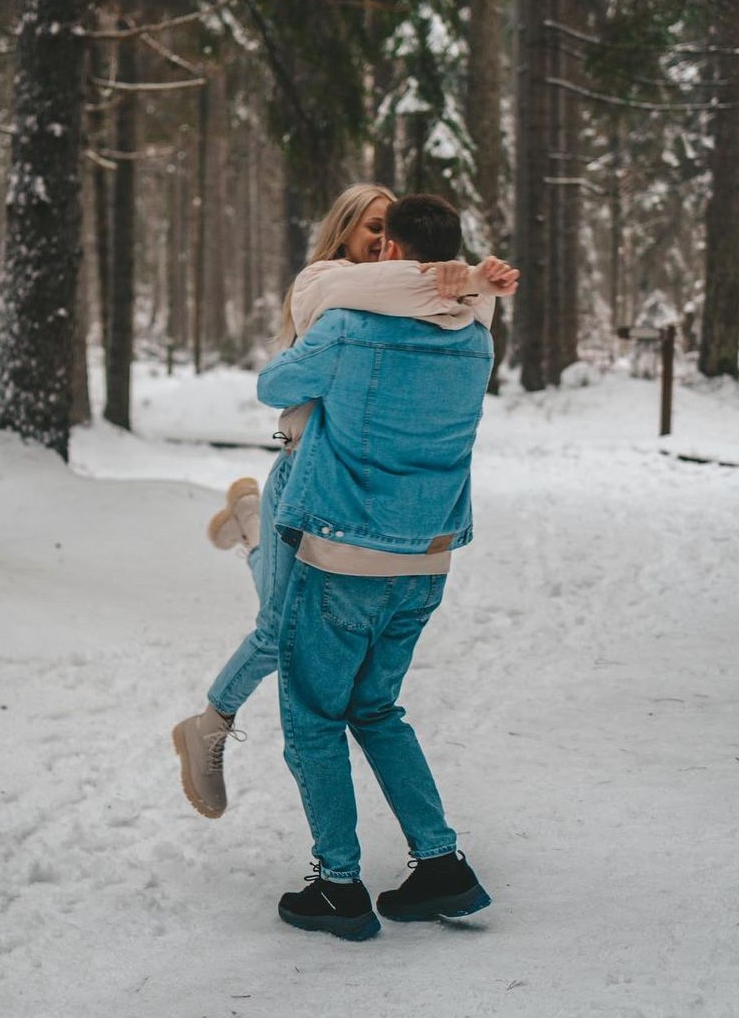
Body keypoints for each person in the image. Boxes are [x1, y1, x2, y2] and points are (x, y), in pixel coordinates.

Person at [172, 185, 515, 821]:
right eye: (372, 228)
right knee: (281, 633)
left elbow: (441, 303)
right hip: (307, 483)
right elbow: (294, 368)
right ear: (346, 235)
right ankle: (210, 724)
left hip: (335, 501)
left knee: (284, 627)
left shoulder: (410, 295)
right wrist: (459, 278)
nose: (382, 242)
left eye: (391, 231)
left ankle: (250, 529)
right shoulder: (330, 284)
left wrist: (456, 278)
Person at [255, 194, 508, 941]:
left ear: (391, 254)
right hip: (426, 561)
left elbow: (274, 387)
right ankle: (440, 865)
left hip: (340, 553)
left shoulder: (345, 326)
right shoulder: (477, 339)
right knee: (375, 709)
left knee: (311, 718)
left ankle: (338, 885)